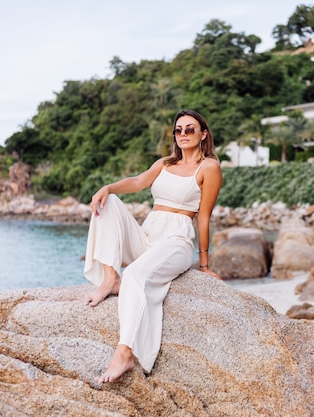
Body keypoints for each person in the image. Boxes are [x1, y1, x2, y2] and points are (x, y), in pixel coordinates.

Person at [83, 109, 222, 384]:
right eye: (178, 130)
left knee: (135, 274)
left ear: (203, 134)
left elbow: (204, 217)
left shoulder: (209, 167)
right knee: (108, 202)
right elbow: (137, 182)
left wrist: (204, 265)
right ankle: (111, 278)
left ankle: (124, 353)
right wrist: (108, 187)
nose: (183, 134)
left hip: (176, 241)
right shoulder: (164, 164)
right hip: (148, 236)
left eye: (190, 129)